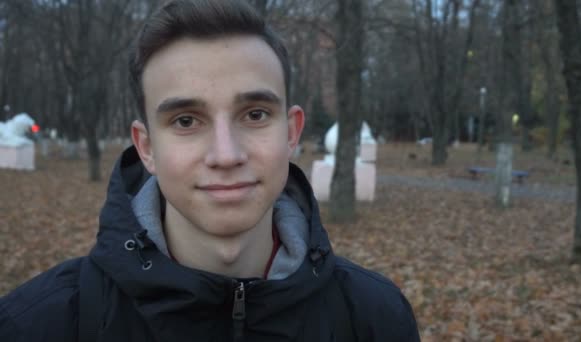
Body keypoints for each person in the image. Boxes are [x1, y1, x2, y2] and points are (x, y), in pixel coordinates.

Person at [0, 0, 420, 341]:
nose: (225, 154)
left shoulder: (376, 319)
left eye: (255, 114)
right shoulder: (38, 325)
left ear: (291, 132)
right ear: (146, 147)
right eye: (186, 121)